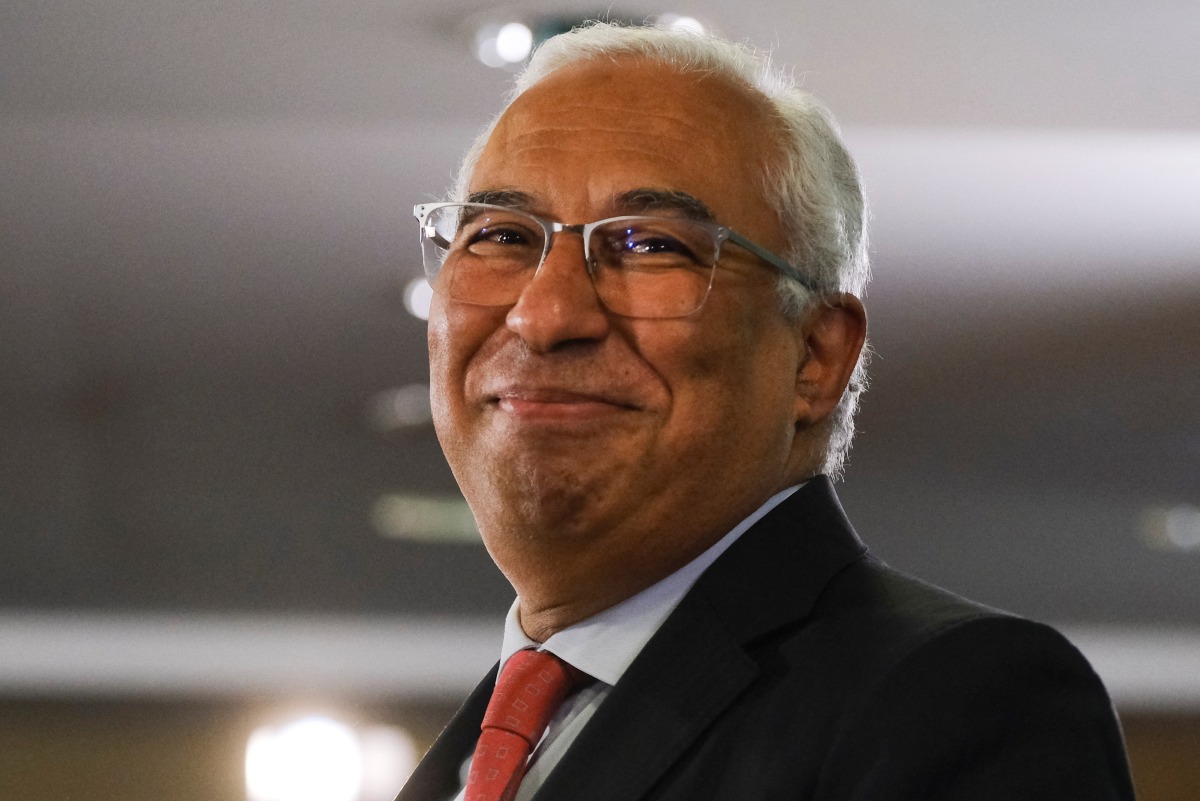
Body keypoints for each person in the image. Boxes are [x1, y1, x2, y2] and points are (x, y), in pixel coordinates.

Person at [397, 22, 1135, 801]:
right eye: (503, 235)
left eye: (650, 245)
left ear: (815, 356)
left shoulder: (959, 701)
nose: (544, 315)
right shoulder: (493, 742)